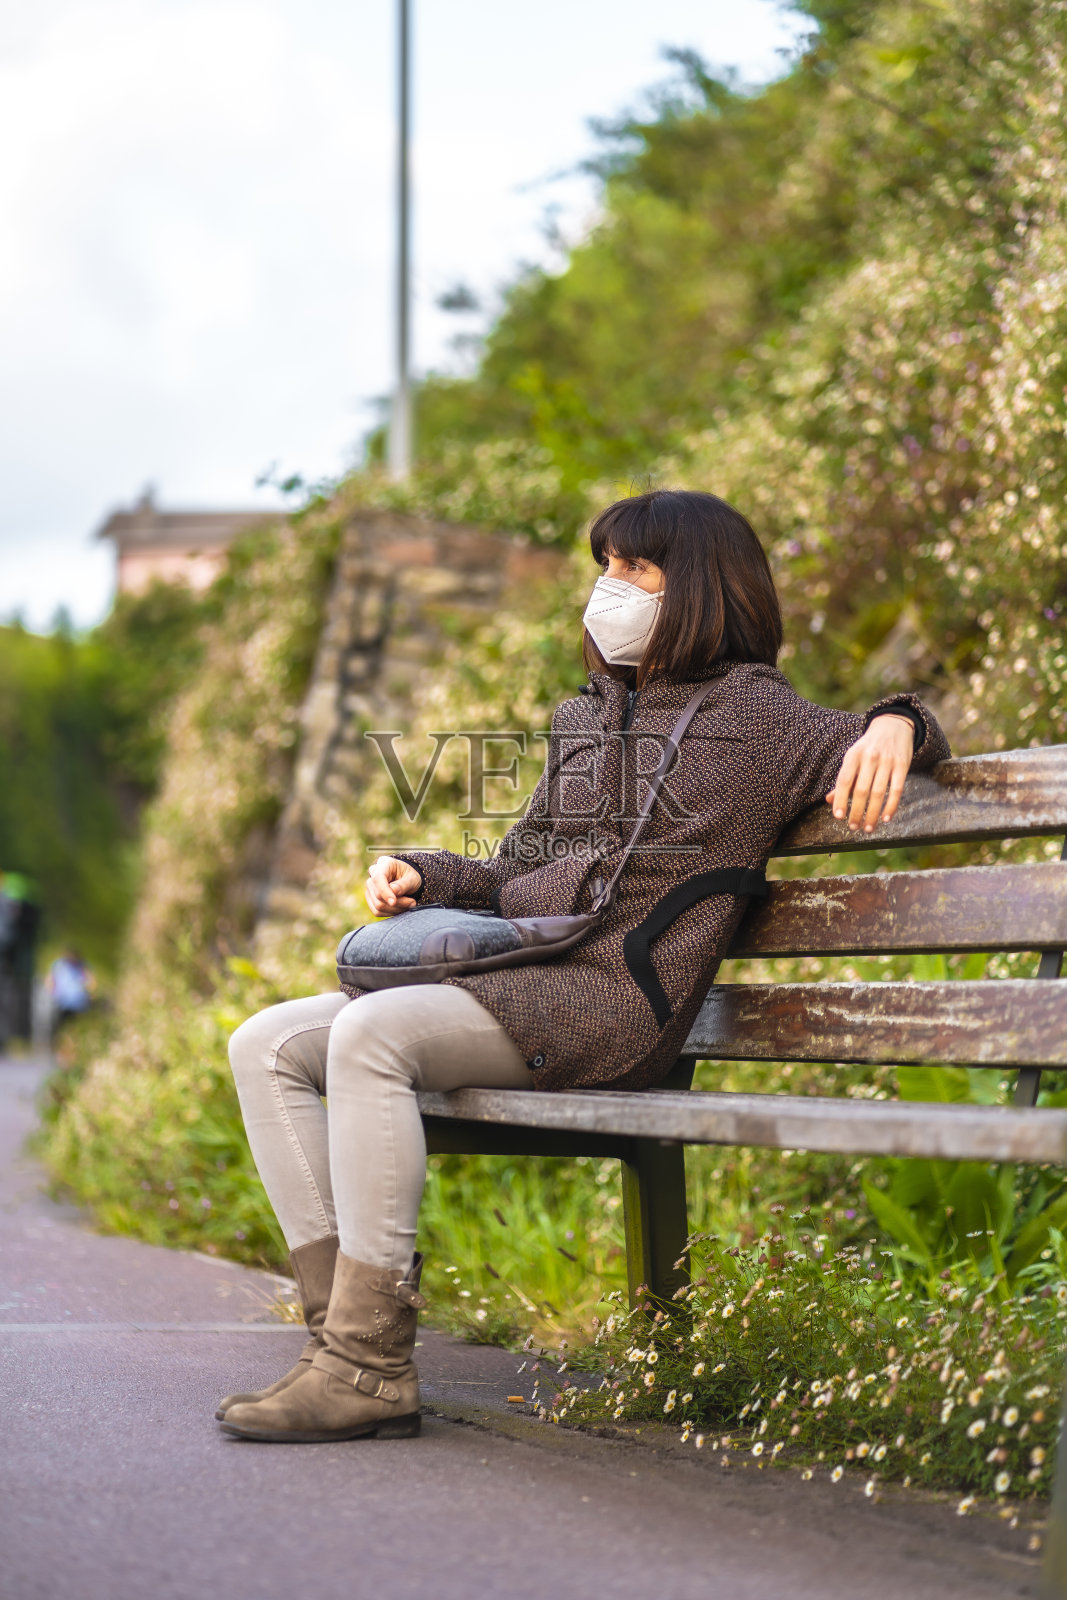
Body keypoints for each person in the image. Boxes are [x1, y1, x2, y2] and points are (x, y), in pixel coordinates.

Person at [219, 489, 950, 1444]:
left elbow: (900, 742)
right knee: (265, 1041)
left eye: (633, 569)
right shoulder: (586, 719)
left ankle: (366, 1363)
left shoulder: (758, 718)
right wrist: (424, 872)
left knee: (369, 1032)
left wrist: (897, 721)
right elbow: (516, 869)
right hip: (535, 978)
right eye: (603, 567)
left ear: (698, 588)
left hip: (619, 1001)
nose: (608, 588)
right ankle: (342, 1346)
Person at [47, 949, 94, 1035]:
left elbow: (91, 981)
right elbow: (50, 980)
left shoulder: (83, 965)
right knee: (63, 1028)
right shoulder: (58, 965)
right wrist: (53, 994)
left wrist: (90, 994)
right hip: (63, 1001)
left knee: (77, 1028)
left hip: (79, 1001)